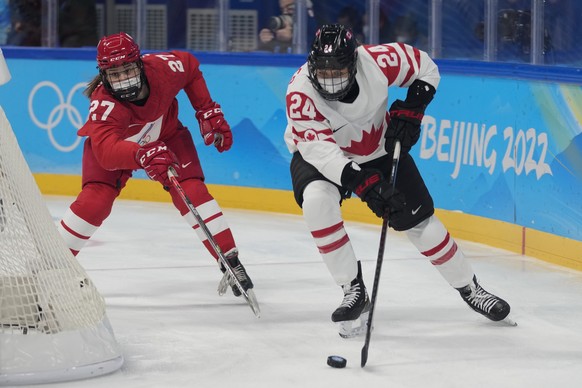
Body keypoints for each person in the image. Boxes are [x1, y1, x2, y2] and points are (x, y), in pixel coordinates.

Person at [284, 24, 511, 338]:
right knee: (317, 201)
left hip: (379, 149)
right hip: (323, 157)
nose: (330, 78)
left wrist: (413, 109)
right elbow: (322, 153)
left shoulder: (377, 60)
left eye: (338, 69)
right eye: (322, 71)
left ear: (354, 62)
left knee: (421, 224)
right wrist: (366, 186)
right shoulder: (299, 93)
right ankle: (353, 288)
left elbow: (426, 67)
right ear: (311, 66)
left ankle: (470, 288)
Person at [57, 32, 254, 298]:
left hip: (167, 136)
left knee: (192, 192)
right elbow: (105, 152)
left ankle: (230, 261)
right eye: (114, 75)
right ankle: (51, 266)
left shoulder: (162, 69)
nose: (124, 80)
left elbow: (190, 65)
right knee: (95, 201)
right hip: (119, 150)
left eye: (127, 70)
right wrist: (142, 155)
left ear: (139, 64)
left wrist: (206, 109)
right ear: (103, 76)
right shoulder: (103, 104)